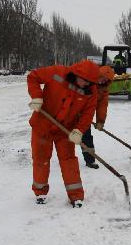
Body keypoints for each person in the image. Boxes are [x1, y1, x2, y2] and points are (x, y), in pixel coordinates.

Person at [27, 60, 99, 208]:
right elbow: (33, 76)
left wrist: (79, 130)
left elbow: (88, 113)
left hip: (64, 130)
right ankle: (40, 192)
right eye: (84, 81)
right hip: (42, 125)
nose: (86, 84)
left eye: (89, 82)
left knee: (68, 160)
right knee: (41, 158)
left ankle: (76, 196)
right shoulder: (57, 73)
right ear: (77, 74)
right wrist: (36, 96)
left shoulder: (90, 91)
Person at [81, 66, 115, 169]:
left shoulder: (103, 90)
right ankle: (65, 159)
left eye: (106, 80)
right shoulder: (87, 83)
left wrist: (100, 121)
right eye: (103, 78)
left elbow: (102, 106)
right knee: (66, 138)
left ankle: (90, 161)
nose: (103, 81)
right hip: (74, 113)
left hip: (86, 117)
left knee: (86, 138)